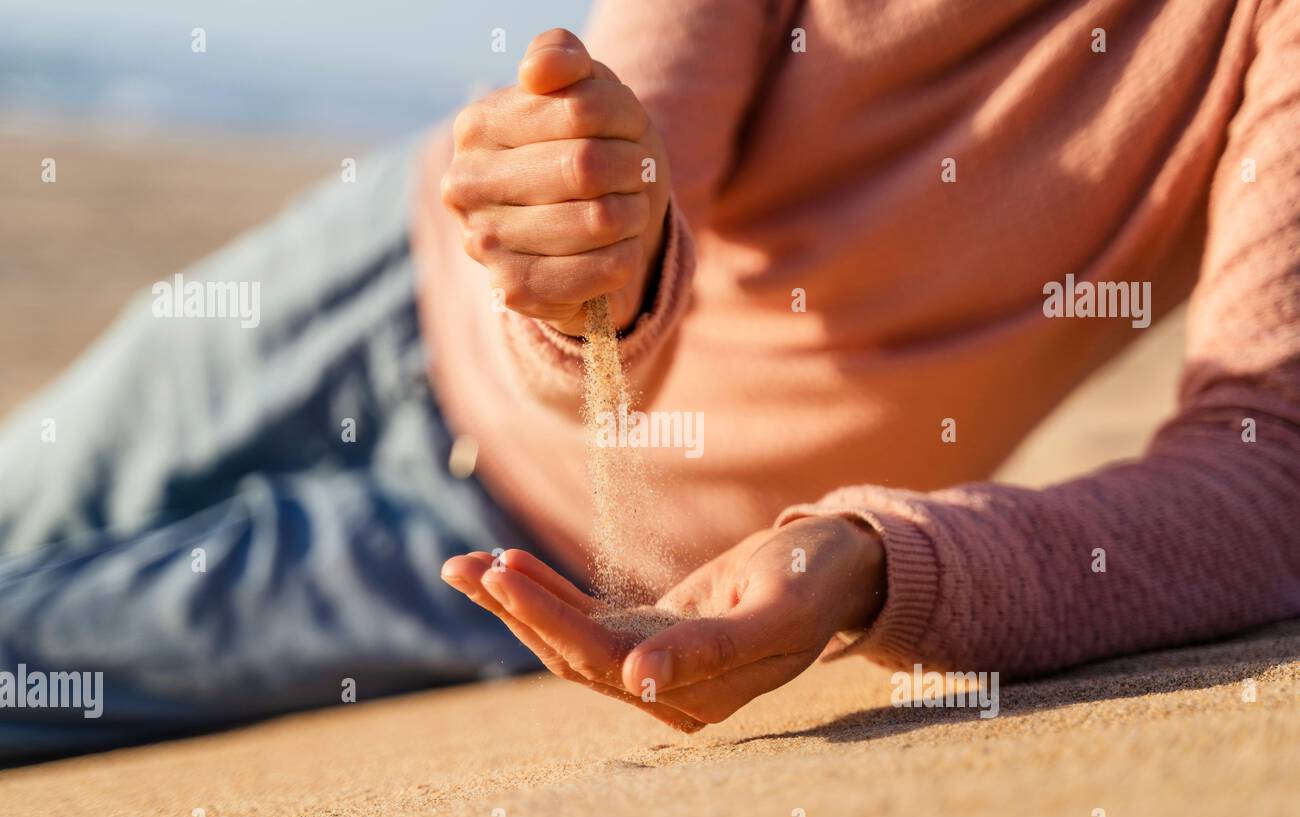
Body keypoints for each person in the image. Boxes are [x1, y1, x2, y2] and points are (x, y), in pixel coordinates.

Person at [2, 1, 1297, 758]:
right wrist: (590, 257)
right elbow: (652, 121)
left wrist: (878, 560)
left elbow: (1269, 465)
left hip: (543, 555)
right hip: (387, 269)